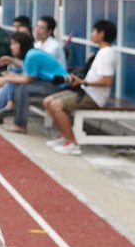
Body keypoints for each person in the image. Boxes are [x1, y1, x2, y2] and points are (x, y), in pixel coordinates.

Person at [43, 20, 118, 155]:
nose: (91, 34)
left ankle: (73, 143)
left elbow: (107, 81)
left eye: (94, 31)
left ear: (101, 34)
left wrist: (84, 82)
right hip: (86, 91)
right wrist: (80, 82)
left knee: (56, 105)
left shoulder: (107, 53)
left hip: (94, 97)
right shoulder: (102, 52)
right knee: (47, 101)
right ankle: (64, 135)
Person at [0, 32, 68, 133]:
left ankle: (20, 124)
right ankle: (12, 112)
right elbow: (27, 75)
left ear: (22, 45)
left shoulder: (31, 55)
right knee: (17, 82)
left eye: (14, 44)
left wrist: (5, 79)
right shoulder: (31, 53)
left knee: (23, 88)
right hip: (47, 82)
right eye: (11, 44)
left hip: (58, 85)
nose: (11, 47)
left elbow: (27, 79)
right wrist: (9, 76)